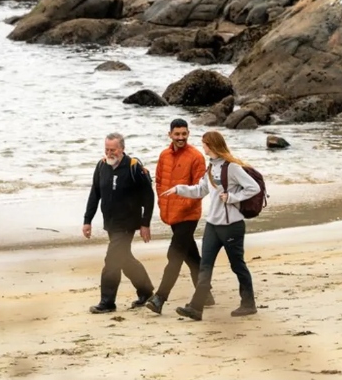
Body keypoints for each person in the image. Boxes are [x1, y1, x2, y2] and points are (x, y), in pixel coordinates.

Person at [160, 130, 260, 319]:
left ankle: (249, 303)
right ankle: (196, 308)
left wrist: (232, 197)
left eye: (204, 143)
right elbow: (200, 190)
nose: (202, 146)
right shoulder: (211, 167)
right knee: (205, 266)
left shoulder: (232, 168)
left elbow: (253, 188)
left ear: (212, 145)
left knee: (237, 265)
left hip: (232, 226)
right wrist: (178, 189)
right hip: (213, 225)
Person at [82, 132, 156, 314]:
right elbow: (95, 194)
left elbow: (148, 196)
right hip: (111, 223)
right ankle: (146, 292)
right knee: (124, 259)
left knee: (112, 259)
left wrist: (145, 223)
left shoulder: (133, 167)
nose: (109, 153)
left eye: (113, 149)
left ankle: (107, 302)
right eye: (107, 149)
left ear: (122, 149)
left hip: (128, 223)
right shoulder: (101, 166)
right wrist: (87, 220)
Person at [145, 118, 206, 315]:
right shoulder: (164, 155)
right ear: (170, 134)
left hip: (188, 215)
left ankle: (159, 298)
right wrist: (163, 205)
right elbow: (160, 181)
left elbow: (199, 189)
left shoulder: (196, 157)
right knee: (191, 255)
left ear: (188, 134)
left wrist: (182, 208)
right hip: (170, 214)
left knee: (175, 255)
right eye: (177, 134)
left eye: (184, 134)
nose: (180, 137)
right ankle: (206, 292)